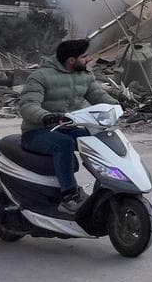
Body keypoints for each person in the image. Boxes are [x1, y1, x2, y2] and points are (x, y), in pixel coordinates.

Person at [18, 38, 119, 215]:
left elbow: (97, 95)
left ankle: (110, 183)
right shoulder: (40, 76)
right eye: (84, 56)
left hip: (68, 126)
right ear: (71, 60)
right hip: (37, 131)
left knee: (99, 139)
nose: (88, 60)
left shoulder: (84, 75)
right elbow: (28, 106)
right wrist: (46, 116)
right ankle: (69, 196)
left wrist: (117, 105)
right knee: (63, 144)